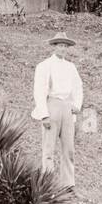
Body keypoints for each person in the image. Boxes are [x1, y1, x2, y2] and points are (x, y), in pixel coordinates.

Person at [32, 31, 84, 190]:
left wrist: (77, 104)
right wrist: (44, 115)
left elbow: (78, 87)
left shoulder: (71, 67)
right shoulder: (44, 65)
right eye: (60, 45)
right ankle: (47, 184)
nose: (62, 49)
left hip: (67, 109)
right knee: (49, 148)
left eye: (65, 46)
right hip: (52, 106)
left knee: (68, 148)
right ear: (54, 47)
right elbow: (39, 91)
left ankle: (68, 184)